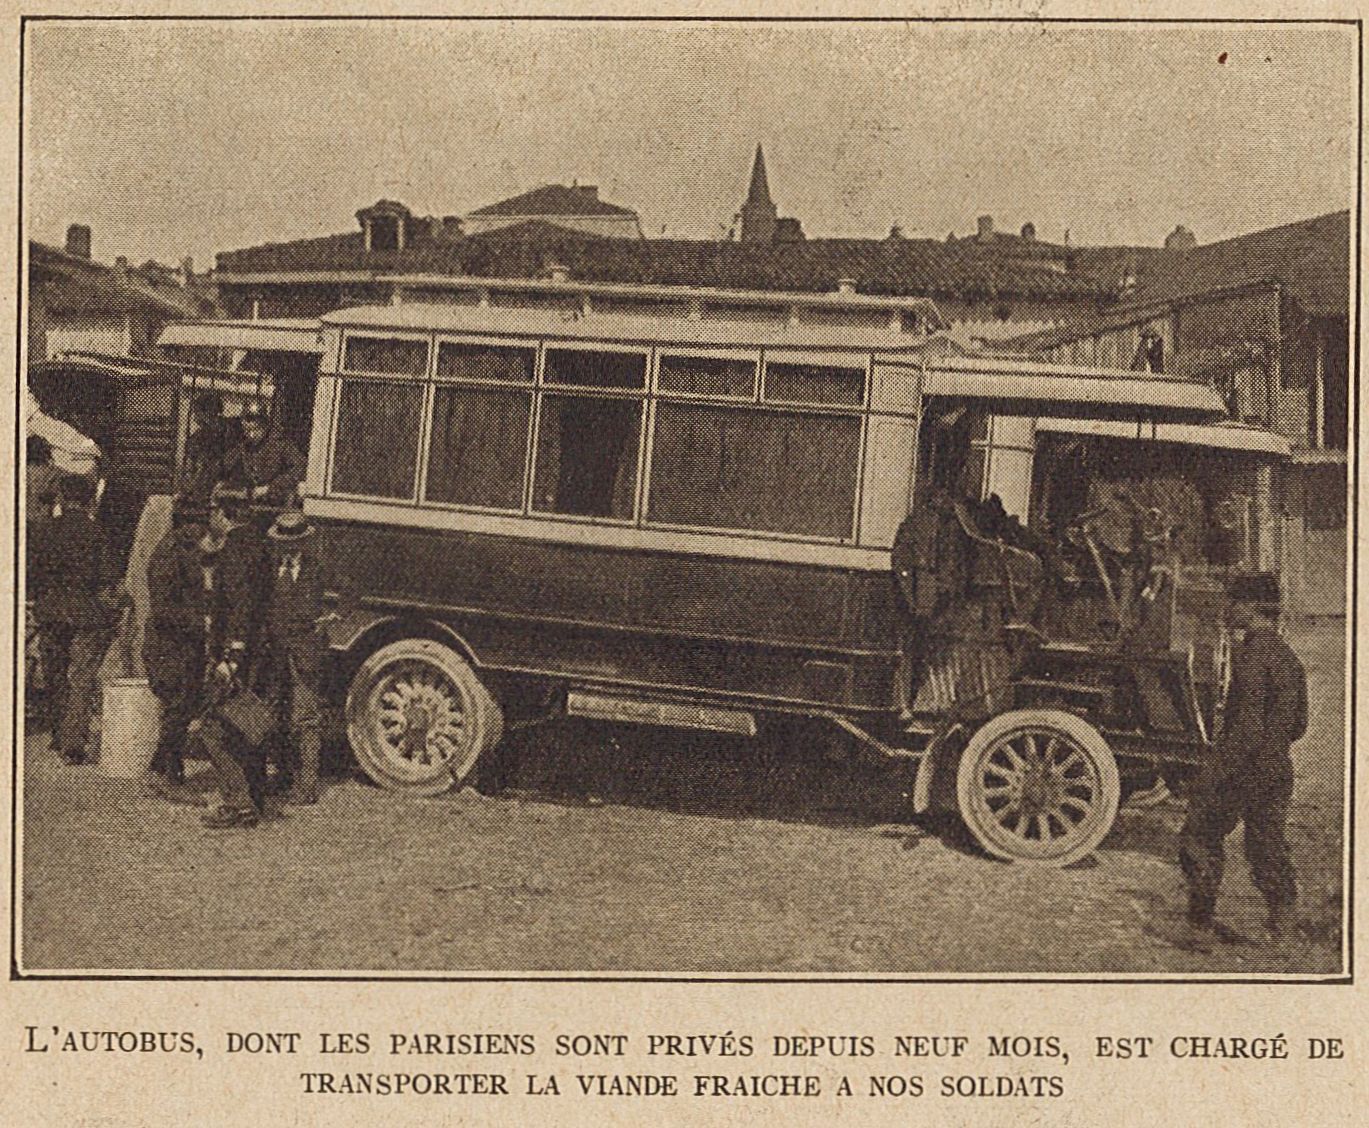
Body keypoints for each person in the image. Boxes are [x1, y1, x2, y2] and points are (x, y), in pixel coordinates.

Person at [1178, 573, 1307, 951]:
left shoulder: (1251, 657)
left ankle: (1199, 927)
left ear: (1250, 608)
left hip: (1243, 769)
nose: (1226, 609)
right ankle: (1283, 930)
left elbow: (1247, 730)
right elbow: (1300, 724)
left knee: (1200, 834)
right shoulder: (1288, 656)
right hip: (1277, 769)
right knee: (1267, 846)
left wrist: (1212, 775)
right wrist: (1273, 748)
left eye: (1232, 602)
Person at [237, 508, 353, 807]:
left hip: (306, 653)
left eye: (294, 543)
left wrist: (334, 615)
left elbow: (351, 589)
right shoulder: (266, 569)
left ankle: (308, 785)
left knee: (306, 717)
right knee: (273, 715)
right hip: (273, 654)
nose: (288, 548)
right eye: (283, 543)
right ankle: (282, 774)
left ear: (304, 542)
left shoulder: (317, 567)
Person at [29, 474, 126, 763]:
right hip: (86, 613)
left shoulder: (43, 531)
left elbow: (31, 574)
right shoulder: (97, 533)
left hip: (50, 612)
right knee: (81, 677)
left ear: (61, 498)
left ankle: (59, 734)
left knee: (55, 675)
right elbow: (108, 578)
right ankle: (73, 744)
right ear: (89, 501)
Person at [142, 495, 213, 798]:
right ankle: (163, 774)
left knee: (183, 708)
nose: (203, 530)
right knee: (177, 708)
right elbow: (163, 610)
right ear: (184, 524)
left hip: (184, 644)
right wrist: (201, 622)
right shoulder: (168, 554)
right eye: (198, 524)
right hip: (168, 645)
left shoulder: (187, 550)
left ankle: (168, 771)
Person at [217, 399, 305, 511]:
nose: (251, 435)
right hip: (254, 506)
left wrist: (271, 488)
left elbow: (301, 468)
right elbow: (225, 466)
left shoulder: (280, 444)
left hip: (280, 507)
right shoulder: (244, 446)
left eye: (256, 429)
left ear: (265, 426)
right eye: (247, 430)